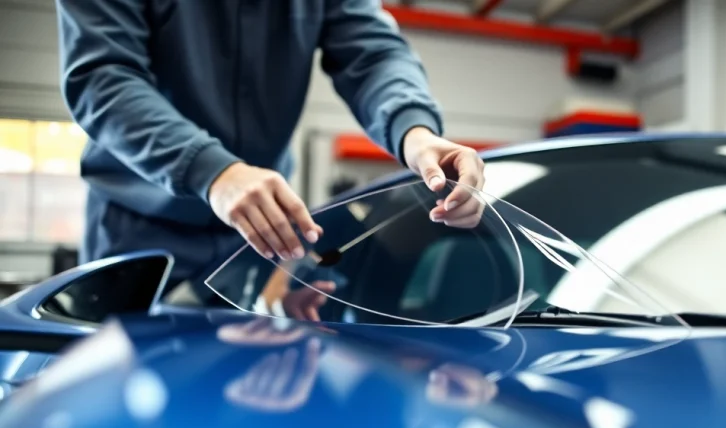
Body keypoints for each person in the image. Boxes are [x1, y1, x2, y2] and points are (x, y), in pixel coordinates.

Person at [55, 0, 485, 289]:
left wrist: (416, 134)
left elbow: (373, 55)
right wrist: (212, 171)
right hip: (136, 228)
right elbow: (102, 77)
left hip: (259, 235)